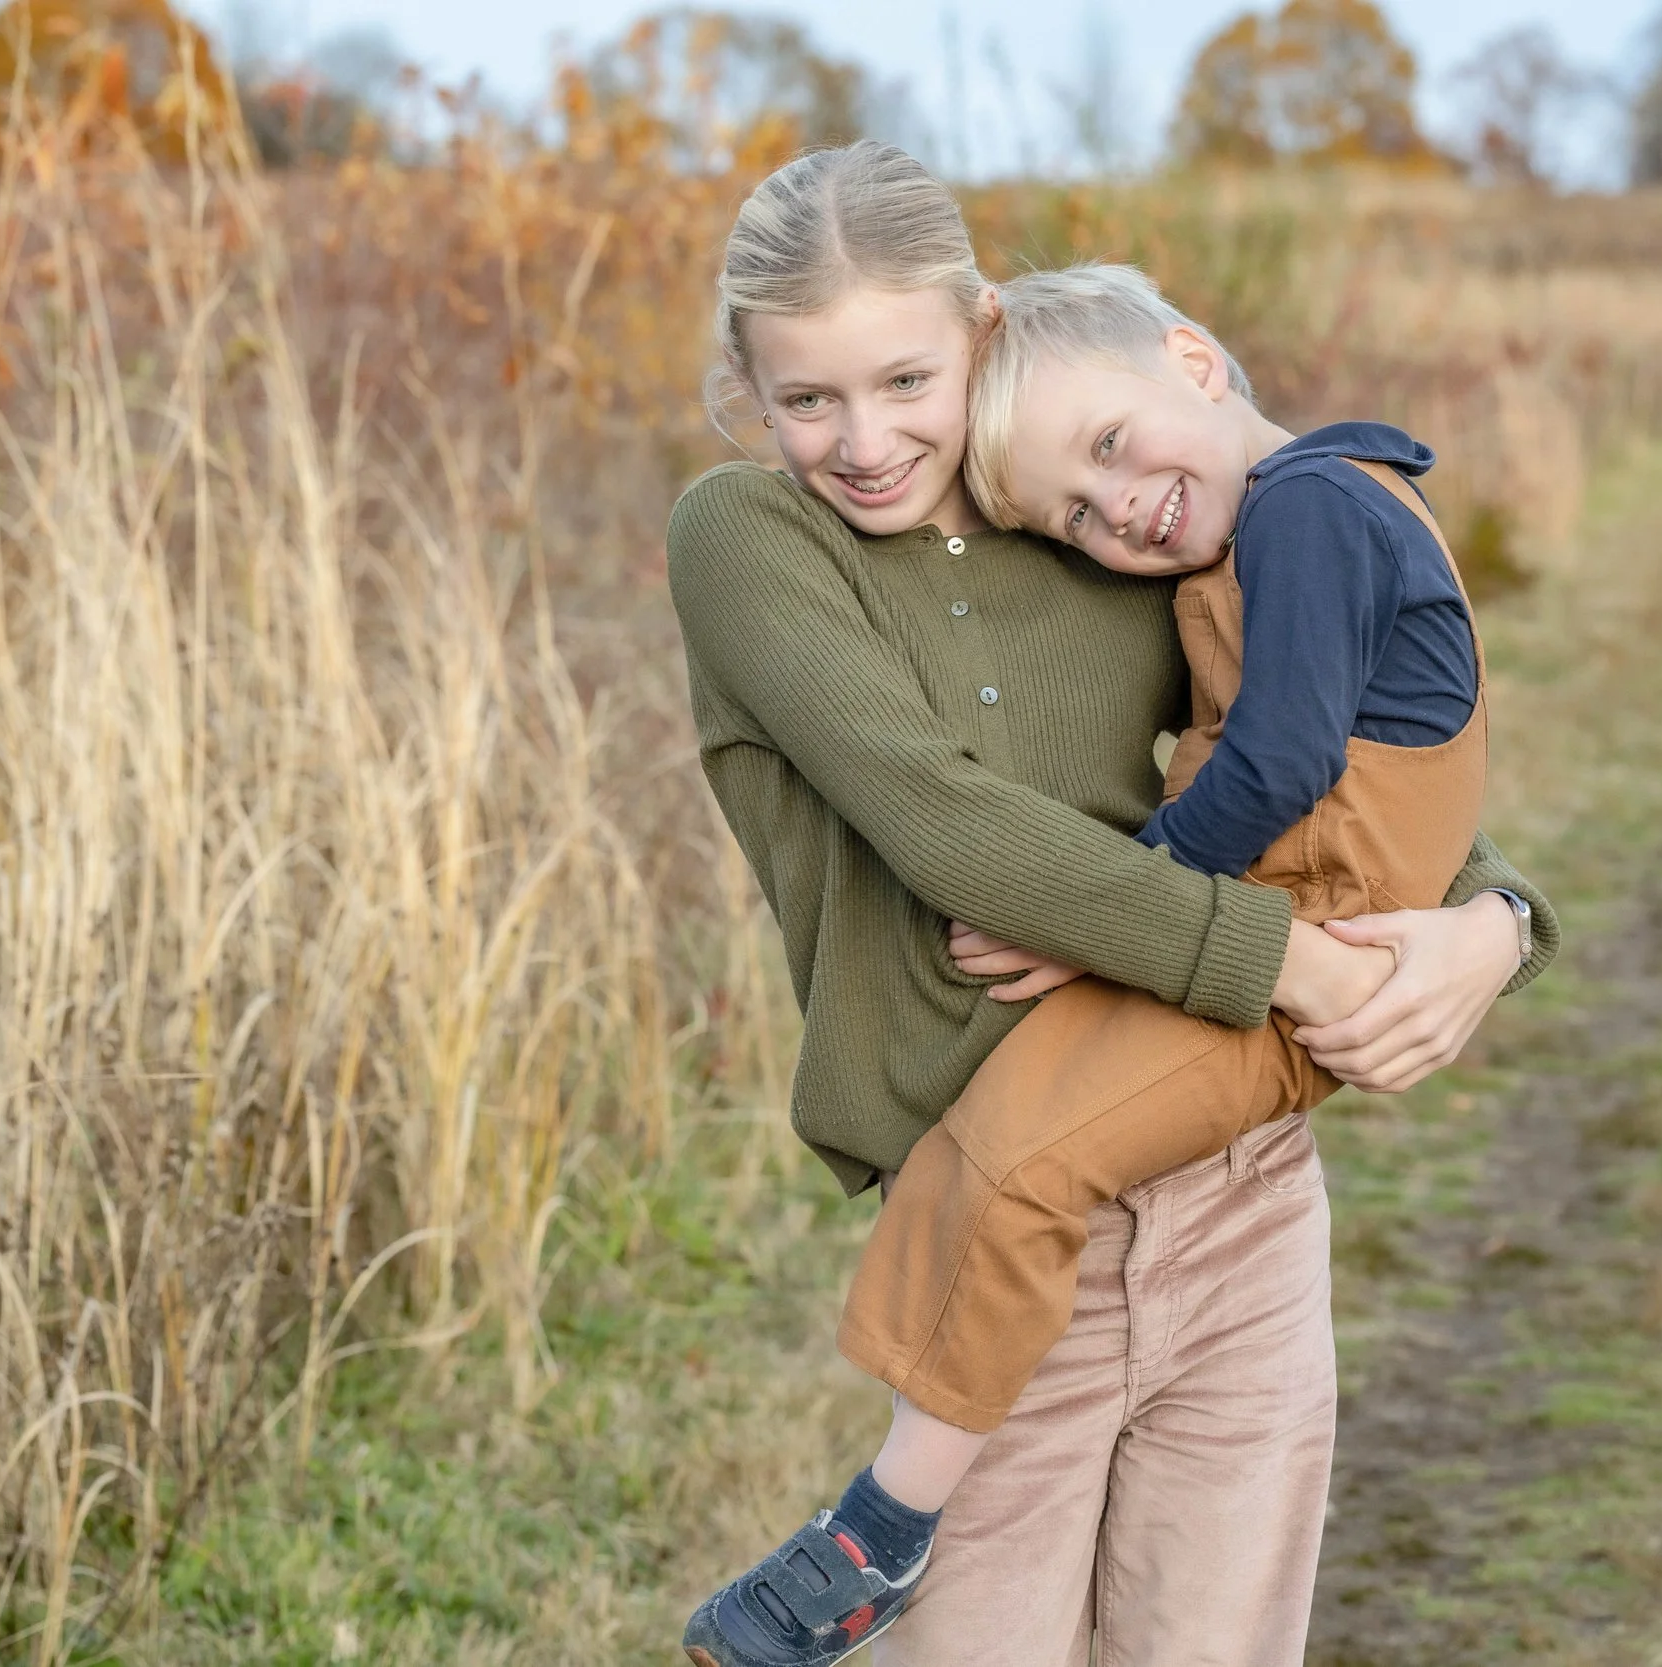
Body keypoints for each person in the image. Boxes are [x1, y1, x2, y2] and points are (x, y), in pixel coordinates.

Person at [666, 144, 1555, 1667]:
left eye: (905, 380)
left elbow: (1321, 763)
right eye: (807, 398)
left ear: (980, 330)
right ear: (750, 384)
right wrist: (1300, 973)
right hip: (1010, 1227)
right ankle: (871, 1539)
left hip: (1242, 1197)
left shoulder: (1094, 506)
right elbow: (954, 828)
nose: (866, 441)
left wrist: (1499, 926)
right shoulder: (756, 538)